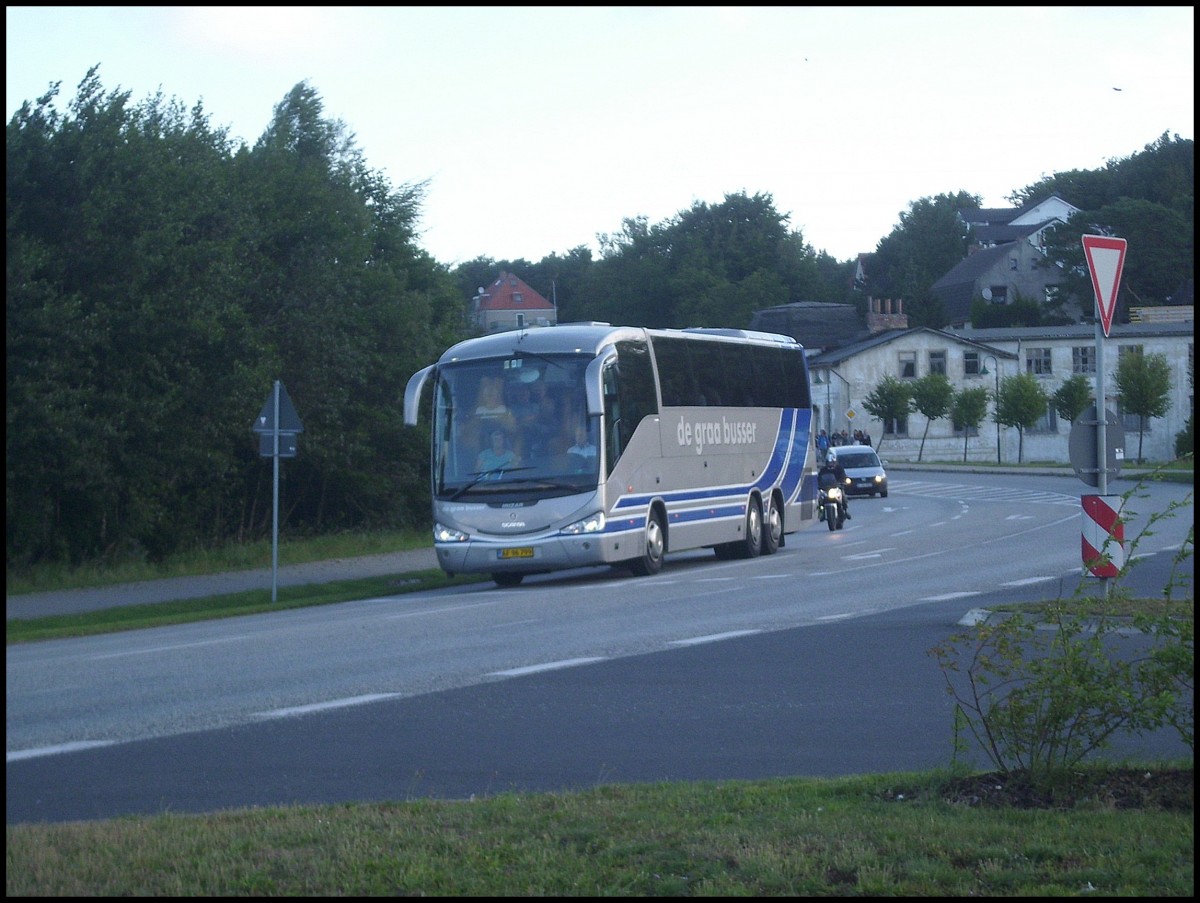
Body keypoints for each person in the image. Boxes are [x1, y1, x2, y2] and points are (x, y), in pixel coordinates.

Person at [818, 451, 850, 519]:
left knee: (843, 496)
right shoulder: (823, 470)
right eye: (829, 462)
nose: (830, 464)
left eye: (832, 462)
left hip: (837, 487)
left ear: (835, 462)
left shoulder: (839, 468)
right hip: (826, 488)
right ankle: (821, 511)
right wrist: (818, 484)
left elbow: (843, 476)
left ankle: (845, 510)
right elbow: (819, 478)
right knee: (820, 498)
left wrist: (843, 481)